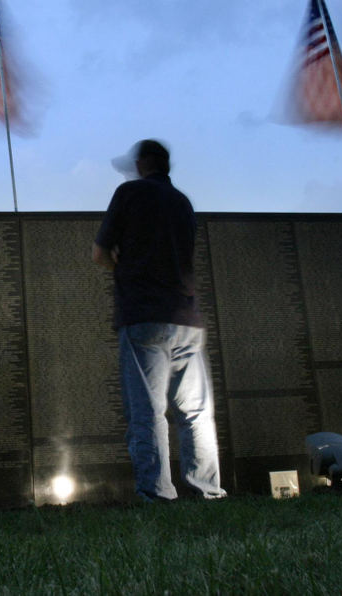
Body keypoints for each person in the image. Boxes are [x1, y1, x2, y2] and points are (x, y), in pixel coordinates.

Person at [92, 139, 225, 502]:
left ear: (142, 165)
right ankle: (208, 491)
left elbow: (99, 252)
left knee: (148, 412)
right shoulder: (183, 203)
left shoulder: (129, 193)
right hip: (187, 318)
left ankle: (157, 495)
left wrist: (119, 258)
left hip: (144, 316)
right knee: (196, 414)